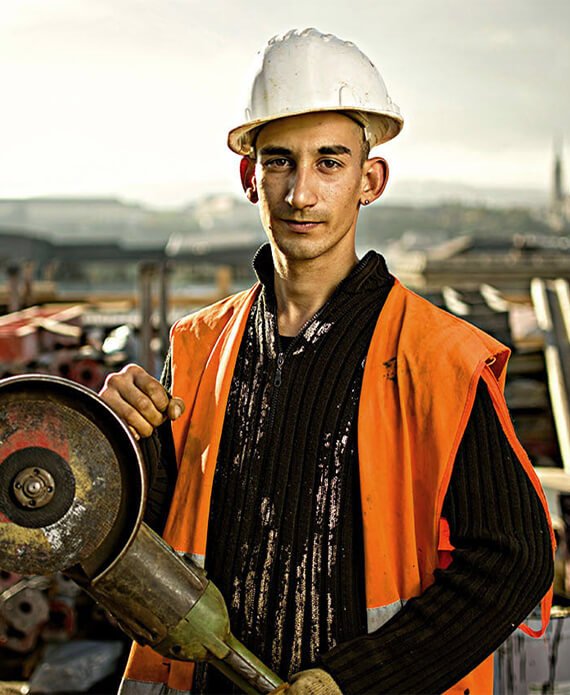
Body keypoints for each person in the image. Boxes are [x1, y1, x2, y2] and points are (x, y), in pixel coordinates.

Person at [101, 28, 555, 695]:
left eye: (330, 163)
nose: (301, 193)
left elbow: (514, 561)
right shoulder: (199, 347)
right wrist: (112, 445)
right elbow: (135, 548)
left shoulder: (440, 358)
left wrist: (354, 681)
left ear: (370, 181)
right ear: (249, 177)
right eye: (280, 162)